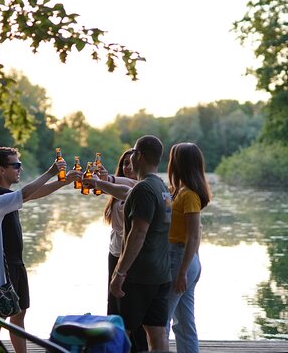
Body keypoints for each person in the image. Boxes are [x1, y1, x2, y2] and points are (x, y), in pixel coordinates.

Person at [0, 147, 82, 353]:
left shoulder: (8, 195)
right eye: (16, 165)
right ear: (1, 170)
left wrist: (65, 181)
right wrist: (51, 172)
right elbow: (28, 193)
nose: (20, 169)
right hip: (3, 266)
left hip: (16, 263)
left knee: (19, 313)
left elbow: (33, 194)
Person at [109, 135, 171, 352]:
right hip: (161, 273)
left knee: (121, 330)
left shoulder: (143, 189)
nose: (132, 157)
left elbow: (138, 234)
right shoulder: (162, 188)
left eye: (133, 152)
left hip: (139, 274)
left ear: (139, 156)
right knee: (157, 331)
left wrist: (120, 272)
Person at [83, 150, 147, 351]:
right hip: (115, 252)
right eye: (124, 164)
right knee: (114, 304)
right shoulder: (115, 190)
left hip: (133, 256)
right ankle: (115, 345)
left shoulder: (142, 188)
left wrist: (105, 180)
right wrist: (102, 181)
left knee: (132, 306)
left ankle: (136, 346)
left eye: (131, 163)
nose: (128, 167)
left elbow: (126, 187)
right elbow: (116, 188)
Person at [165, 143, 210, 353]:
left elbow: (194, 235)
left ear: (178, 163)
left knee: (160, 321)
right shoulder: (178, 191)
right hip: (184, 260)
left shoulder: (190, 195)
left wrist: (184, 271)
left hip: (180, 260)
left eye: (173, 158)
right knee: (183, 323)